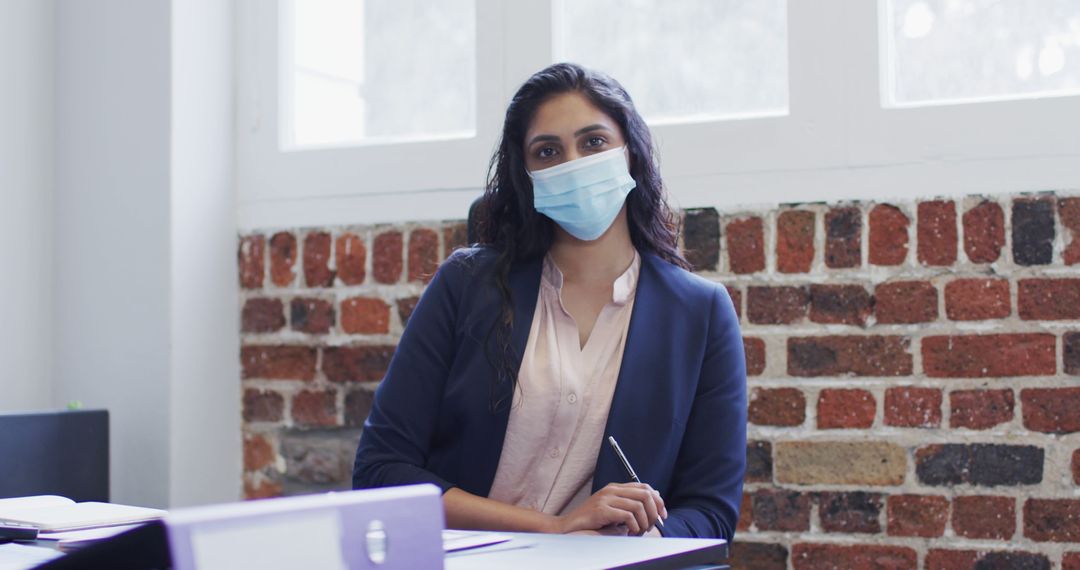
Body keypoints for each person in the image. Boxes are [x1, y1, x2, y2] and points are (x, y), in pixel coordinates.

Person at [352, 62, 746, 540]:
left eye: (594, 142)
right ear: (527, 174)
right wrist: (554, 527)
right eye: (548, 151)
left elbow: (711, 512)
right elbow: (381, 471)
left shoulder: (700, 314)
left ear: (631, 154)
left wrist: (634, 538)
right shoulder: (465, 285)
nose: (574, 163)